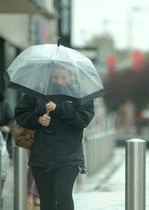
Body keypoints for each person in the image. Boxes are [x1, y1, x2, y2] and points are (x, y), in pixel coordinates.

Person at [14, 68, 95, 210]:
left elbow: (83, 119)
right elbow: (21, 114)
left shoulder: (81, 93)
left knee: (63, 194)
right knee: (47, 201)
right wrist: (38, 119)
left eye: (63, 77)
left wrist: (59, 108)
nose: (59, 80)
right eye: (56, 77)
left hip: (69, 155)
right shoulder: (39, 90)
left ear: (71, 75)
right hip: (41, 155)